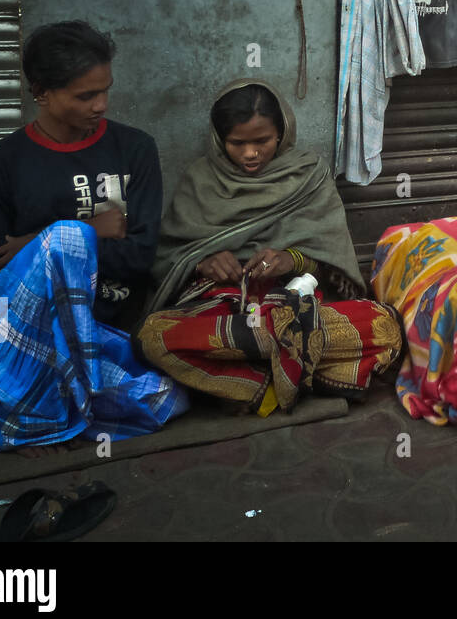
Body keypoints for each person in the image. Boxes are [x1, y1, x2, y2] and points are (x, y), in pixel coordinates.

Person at [0, 20, 187, 451]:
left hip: (107, 322)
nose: (100, 104)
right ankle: (26, 392)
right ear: (41, 92)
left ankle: (5, 392)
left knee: (162, 402)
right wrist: (82, 233)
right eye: (85, 95)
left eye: (105, 90)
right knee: (66, 237)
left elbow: (139, 256)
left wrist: (27, 245)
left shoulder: (134, 148)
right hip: (30, 325)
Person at [137, 80, 402, 413]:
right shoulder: (200, 179)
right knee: (153, 337)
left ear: (282, 132)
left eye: (262, 141)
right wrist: (202, 262)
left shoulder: (309, 174)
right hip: (227, 307)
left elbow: (335, 264)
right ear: (220, 140)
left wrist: (292, 260)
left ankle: (249, 378)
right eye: (237, 143)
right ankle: (295, 372)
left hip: (294, 304)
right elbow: (169, 258)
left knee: (385, 326)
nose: (250, 153)